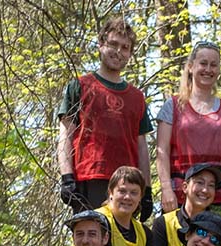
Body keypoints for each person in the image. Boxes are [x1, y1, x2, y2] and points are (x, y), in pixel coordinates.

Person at [58, 16, 152, 217]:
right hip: (88, 180)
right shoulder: (80, 86)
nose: (118, 51)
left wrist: (146, 189)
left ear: (130, 54)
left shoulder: (137, 97)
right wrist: (67, 177)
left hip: (127, 186)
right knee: (91, 244)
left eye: (125, 47)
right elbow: (66, 134)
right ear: (101, 44)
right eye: (113, 44)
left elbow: (141, 145)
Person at [156, 42, 221, 212]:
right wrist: (166, 189)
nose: (208, 69)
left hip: (217, 196)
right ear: (190, 66)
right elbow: (162, 151)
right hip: (180, 196)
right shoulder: (173, 106)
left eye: (213, 65)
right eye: (203, 63)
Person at [151, 162, 221, 246]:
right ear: (185, 187)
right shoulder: (163, 223)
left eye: (211, 185)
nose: (205, 190)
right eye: (200, 182)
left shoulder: (220, 227)